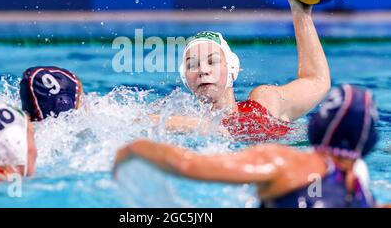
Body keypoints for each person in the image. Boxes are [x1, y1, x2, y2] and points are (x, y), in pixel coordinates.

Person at [115, 85, 379, 208]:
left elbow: (187, 164)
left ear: (317, 126)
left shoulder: (283, 161)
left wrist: (136, 148)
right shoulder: (359, 186)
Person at [156, 0, 331, 141]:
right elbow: (136, 118)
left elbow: (317, 81)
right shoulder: (179, 117)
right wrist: (197, 126)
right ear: (186, 79)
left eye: (212, 61)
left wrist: (301, 14)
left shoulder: (265, 103)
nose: (202, 70)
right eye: (192, 64)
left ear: (232, 68)